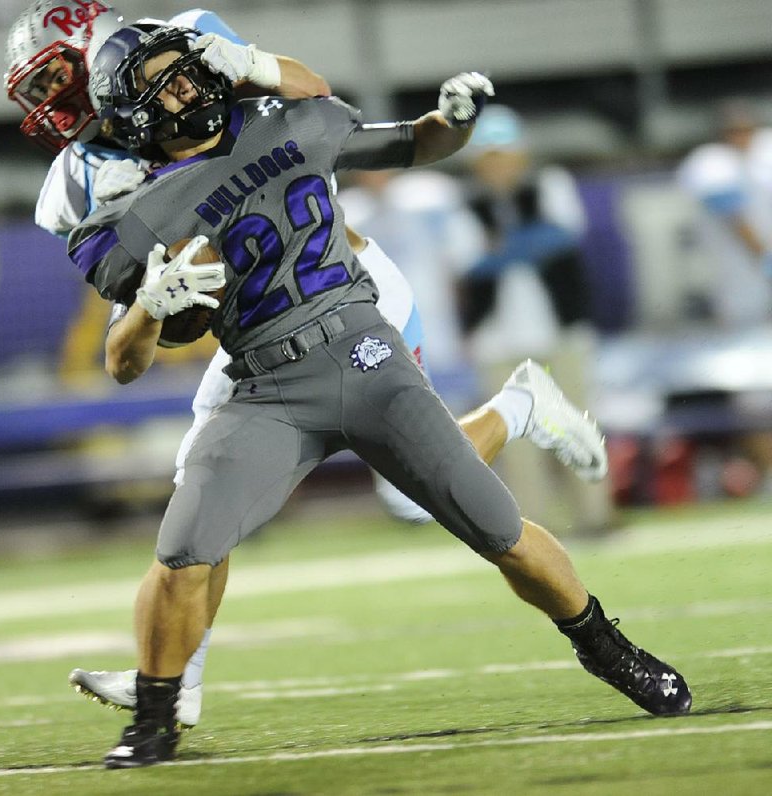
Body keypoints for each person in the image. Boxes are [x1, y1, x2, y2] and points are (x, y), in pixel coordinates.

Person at [70, 24, 691, 767]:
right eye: (165, 83)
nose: (189, 87)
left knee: (496, 526)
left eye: (185, 72)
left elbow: (410, 144)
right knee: (183, 548)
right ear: (133, 114)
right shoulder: (138, 209)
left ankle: (605, 645)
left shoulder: (282, 118)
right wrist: (149, 306)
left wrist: (449, 124)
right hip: (264, 385)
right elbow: (122, 360)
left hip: (363, 349)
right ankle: (156, 721)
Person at [456, 104, 613, 535]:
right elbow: (469, 264)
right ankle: (533, 528)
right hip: (497, 336)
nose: (499, 166)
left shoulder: (550, 184)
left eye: (504, 155)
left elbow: (562, 238)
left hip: (559, 326)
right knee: (514, 437)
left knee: (579, 422)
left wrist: (501, 248)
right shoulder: (465, 202)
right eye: (490, 157)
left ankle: (595, 515)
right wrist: (522, 245)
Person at [677, 98, 772, 328]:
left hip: (764, 256)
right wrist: (765, 258)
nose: (741, 136)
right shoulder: (710, 162)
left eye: (746, 129)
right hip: (739, 262)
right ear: (721, 134)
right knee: (746, 320)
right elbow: (735, 219)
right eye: (734, 131)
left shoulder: (763, 152)